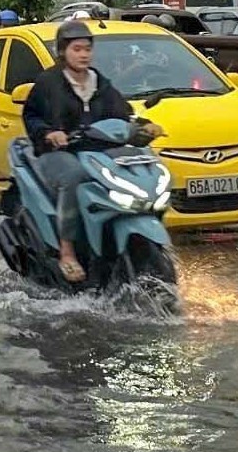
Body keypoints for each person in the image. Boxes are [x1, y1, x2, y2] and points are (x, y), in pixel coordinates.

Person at [21, 19, 156, 284]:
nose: (83, 54)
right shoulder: (49, 82)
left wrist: (144, 127)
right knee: (74, 177)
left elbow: (122, 113)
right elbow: (31, 116)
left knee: (137, 169)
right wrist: (49, 133)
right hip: (58, 153)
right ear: (63, 51)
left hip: (97, 152)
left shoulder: (100, 83)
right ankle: (68, 251)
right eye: (77, 49)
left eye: (87, 49)